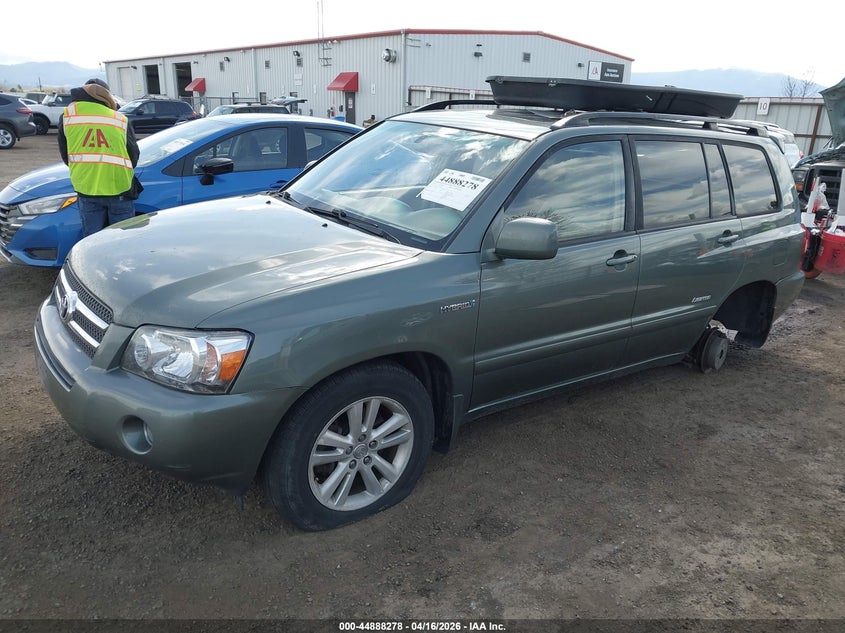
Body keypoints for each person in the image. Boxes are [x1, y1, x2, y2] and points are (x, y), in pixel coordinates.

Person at [58, 78, 140, 237]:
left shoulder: (67, 116)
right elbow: (133, 156)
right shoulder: (120, 119)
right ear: (106, 96)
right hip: (120, 189)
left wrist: (86, 170)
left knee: (92, 240)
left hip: (87, 190)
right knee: (122, 239)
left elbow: (65, 154)